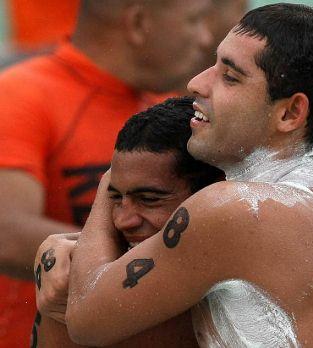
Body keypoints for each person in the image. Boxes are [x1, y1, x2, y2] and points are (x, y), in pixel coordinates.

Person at [51, 4, 313, 346]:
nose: (197, 82)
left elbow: (86, 319)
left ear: (290, 114)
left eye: (230, 77)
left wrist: (109, 184)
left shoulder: (235, 210)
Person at [0, 0, 212, 346]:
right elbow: (4, 233)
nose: (205, 38)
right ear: (139, 23)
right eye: (193, 20)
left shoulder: (169, 105)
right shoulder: (19, 95)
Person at [34, 96, 223, 347]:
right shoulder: (69, 276)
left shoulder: (254, 255)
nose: (124, 221)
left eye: (149, 199)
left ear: (216, 192)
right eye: (115, 198)